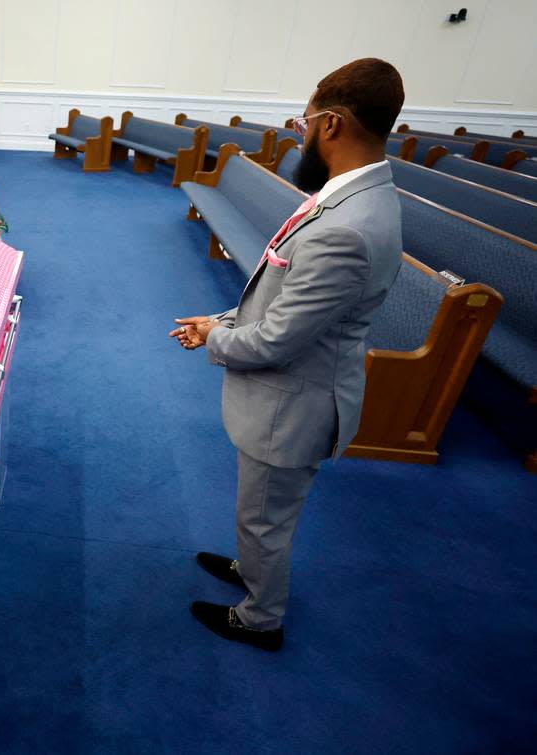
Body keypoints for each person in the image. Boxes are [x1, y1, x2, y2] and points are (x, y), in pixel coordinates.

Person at [170, 58, 405, 651]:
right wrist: (222, 317)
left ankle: (260, 618)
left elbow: (278, 338)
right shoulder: (354, 193)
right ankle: (251, 569)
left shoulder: (348, 226)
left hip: (293, 406)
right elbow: (285, 292)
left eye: (302, 121)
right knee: (260, 512)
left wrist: (212, 338)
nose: (299, 132)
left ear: (330, 124)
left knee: (266, 520)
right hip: (295, 386)